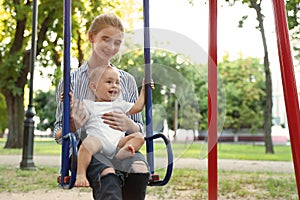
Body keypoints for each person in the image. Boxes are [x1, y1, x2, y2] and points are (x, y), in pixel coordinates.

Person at [54, 13, 150, 200]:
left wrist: (128, 124)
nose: (111, 47)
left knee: (139, 169)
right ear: (92, 37)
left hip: (119, 145)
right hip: (90, 148)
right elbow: (59, 133)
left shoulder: (126, 81)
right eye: (105, 39)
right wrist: (74, 124)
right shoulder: (70, 81)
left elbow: (139, 127)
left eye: (117, 43)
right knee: (108, 175)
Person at [74, 66, 154, 187]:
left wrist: (144, 90)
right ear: (94, 87)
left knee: (139, 137)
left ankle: (122, 153)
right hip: (98, 140)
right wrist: (68, 102)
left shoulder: (120, 105)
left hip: (118, 142)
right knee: (85, 146)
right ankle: (81, 174)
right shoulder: (89, 105)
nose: (114, 85)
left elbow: (137, 107)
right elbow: (75, 114)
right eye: (109, 82)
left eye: (117, 82)